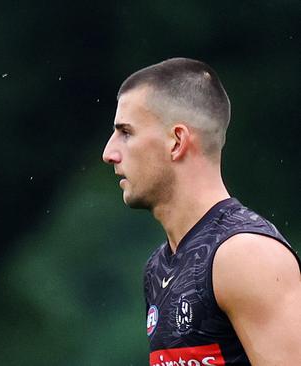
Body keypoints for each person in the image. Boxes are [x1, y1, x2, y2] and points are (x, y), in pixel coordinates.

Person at [102, 58, 301, 365]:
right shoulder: (158, 268)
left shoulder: (246, 255)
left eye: (126, 132)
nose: (109, 153)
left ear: (177, 141)